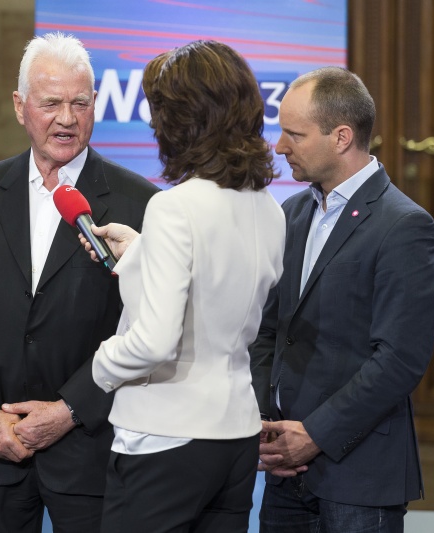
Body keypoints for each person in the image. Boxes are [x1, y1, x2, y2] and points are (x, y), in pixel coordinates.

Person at [0, 32, 158, 532]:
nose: (67, 119)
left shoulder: (140, 202)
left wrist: (70, 410)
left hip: (90, 450)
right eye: (51, 103)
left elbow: (144, 332)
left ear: (96, 104)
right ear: (20, 106)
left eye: (80, 103)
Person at [79, 40, 285, 532]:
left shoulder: (174, 207)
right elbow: (216, 285)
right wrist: (142, 251)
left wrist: (100, 366)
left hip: (165, 437)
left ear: (180, 119)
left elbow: (154, 342)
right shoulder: (269, 208)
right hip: (235, 435)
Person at [249, 67, 434, 531]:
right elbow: (268, 330)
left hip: (359, 478)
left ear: (341, 137)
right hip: (283, 470)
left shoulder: (405, 226)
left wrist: (315, 435)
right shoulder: (292, 212)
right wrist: (262, 422)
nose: (280, 146)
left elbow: (399, 359)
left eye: (295, 134)